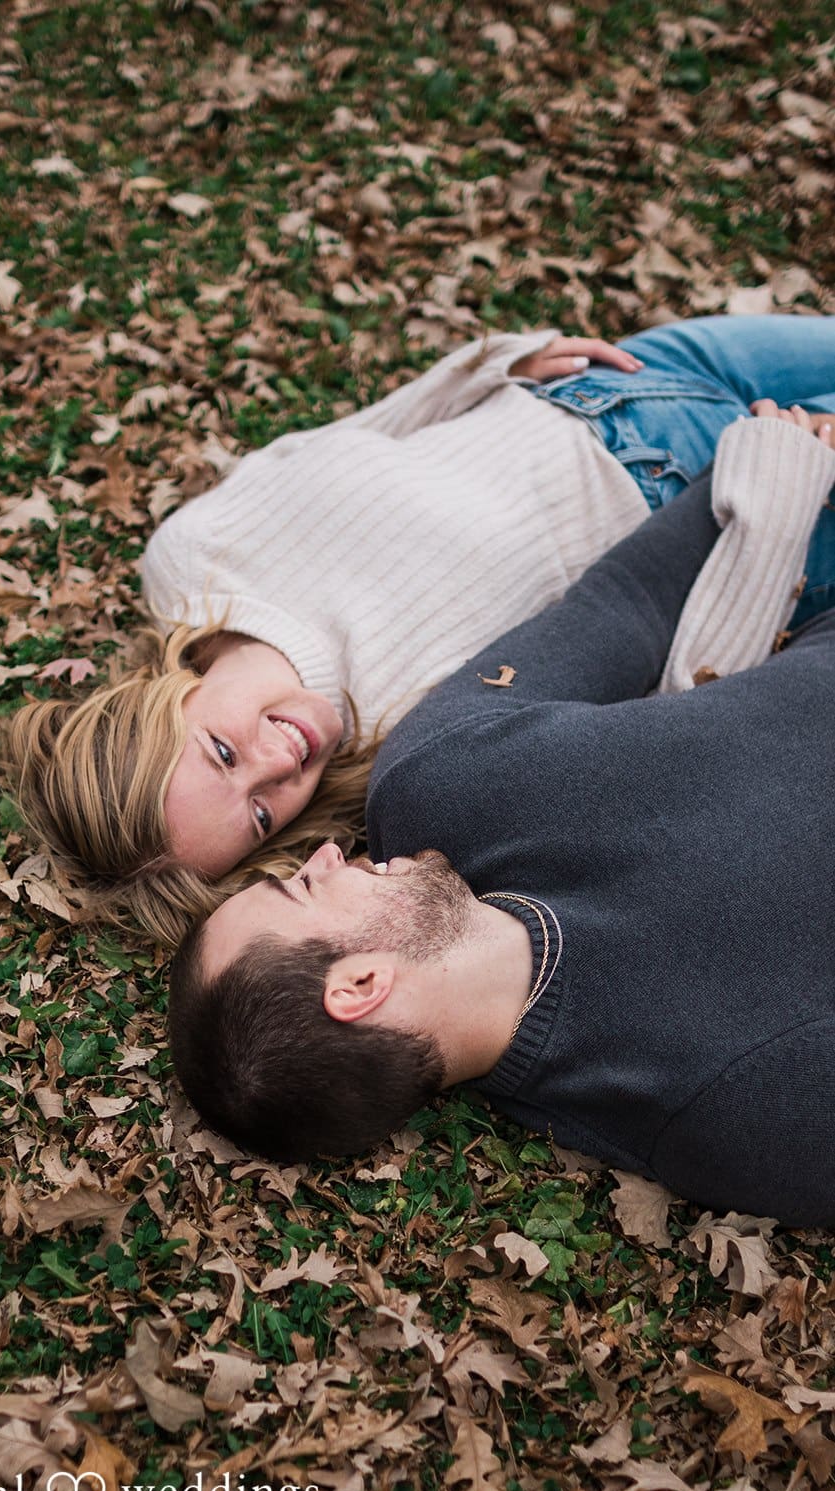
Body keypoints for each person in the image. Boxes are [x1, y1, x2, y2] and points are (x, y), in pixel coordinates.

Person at [167, 408, 835, 1226]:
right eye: (302, 889)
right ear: (362, 985)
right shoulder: (732, 1115)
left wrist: (774, 460)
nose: (326, 854)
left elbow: (624, 605)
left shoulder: (441, 783)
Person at [0, 315, 835, 945]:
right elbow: (669, 710)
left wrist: (487, 367)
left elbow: (343, 441)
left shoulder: (189, 561)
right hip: (736, 497)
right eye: (259, 815)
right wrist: (777, 518)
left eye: (221, 753)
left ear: (159, 703)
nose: (278, 765)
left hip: (636, 376)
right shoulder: (405, 752)